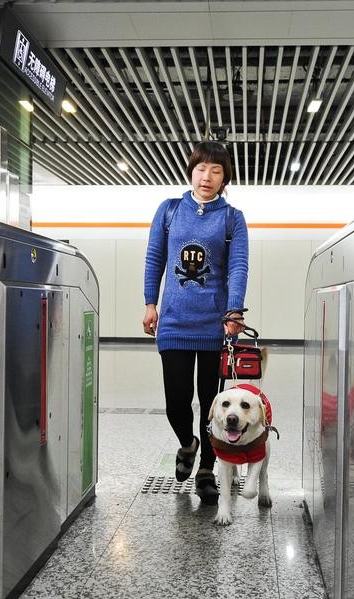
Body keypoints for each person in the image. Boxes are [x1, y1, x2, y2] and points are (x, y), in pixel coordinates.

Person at [142, 141, 249, 505]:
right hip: (173, 321)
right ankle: (188, 443)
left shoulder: (232, 218)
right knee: (176, 402)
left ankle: (206, 468)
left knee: (211, 402)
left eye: (216, 171)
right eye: (202, 168)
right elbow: (155, 257)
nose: (207, 176)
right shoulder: (170, 210)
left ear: (224, 179)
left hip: (213, 324)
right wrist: (150, 303)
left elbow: (237, 266)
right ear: (191, 171)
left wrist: (234, 311)